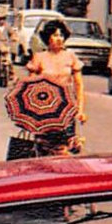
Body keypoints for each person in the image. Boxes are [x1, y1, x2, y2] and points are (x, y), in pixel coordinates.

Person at [20, 18, 86, 155]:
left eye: (61, 35)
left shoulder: (70, 57)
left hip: (65, 110)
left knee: (63, 147)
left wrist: (80, 110)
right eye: (55, 35)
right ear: (47, 37)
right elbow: (30, 86)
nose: (59, 39)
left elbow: (79, 86)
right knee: (44, 147)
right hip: (44, 110)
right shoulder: (39, 57)